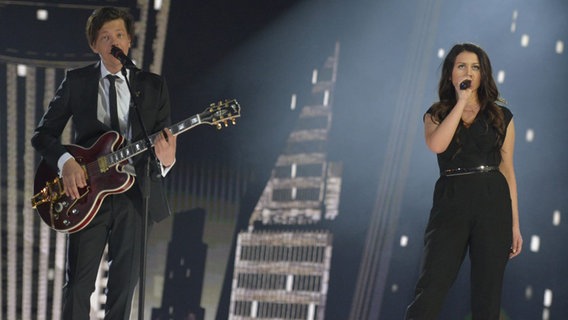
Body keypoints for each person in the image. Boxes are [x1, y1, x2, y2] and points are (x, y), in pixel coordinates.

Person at [31, 7, 177, 320]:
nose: (114, 42)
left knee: (124, 289)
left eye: (120, 35)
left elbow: (162, 144)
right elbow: (43, 136)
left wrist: (166, 162)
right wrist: (66, 162)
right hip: (87, 195)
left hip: (135, 196)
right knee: (79, 286)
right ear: (95, 46)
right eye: (105, 37)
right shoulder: (77, 82)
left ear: (130, 41)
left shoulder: (152, 87)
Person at [405, 43, 523, 320]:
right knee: (433, 282)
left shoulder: (501, 116)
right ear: (451, 74)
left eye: (475, 67)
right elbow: (437, 145)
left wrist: (515, 223)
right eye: (461, 66)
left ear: (483, 74)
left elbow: (507, 169)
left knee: (487, 291)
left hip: (493, 200)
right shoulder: (436, 113)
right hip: (452, 198)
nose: (468, 71)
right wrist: (461, 102)